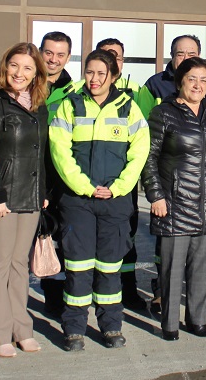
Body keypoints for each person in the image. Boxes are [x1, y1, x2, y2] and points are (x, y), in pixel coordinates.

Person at [49, 49, 150, 352]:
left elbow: (139, 153)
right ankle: (74, 329)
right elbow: (59, 151)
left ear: (113, 76)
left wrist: (118, 188)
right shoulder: (70, 105)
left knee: (109, 267)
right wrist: (84, 186)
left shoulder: (128, 108)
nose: (94, 79)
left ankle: (111, 326)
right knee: (78, 267)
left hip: (114, 201)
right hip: (77, 200)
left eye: (101, 73)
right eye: (89, 72)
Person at [143, 57, 206, 340]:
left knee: (201, 268)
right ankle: (170, 324)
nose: (198, 85)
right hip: (175, 202)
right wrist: (155, 196)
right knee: (172, 269)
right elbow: (149, 158)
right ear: (180, 81)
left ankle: (198, 320)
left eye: (203, 80)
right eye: (192, 79)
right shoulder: (163, 113)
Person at [135, 33, 206, 308]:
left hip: (203, 182)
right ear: (171, 57)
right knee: (168, 245)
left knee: (199, 250)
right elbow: (144, 132)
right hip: (171, 181)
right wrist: (155, 188)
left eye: (191, 53)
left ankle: (197, 303)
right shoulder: (154, 85)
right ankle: (163, 291)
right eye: (179, 53)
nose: (185, 58)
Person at [0, 43, 50, 358]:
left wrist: (42, 193)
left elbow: (41, 154)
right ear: (5, 66)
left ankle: (23, 329)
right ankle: (0, 333)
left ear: (36, 74)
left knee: (20, 264)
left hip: (30, 197)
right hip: (1, 197)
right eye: (15, 65)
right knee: (0, 263)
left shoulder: (39, 106)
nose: (20, 73)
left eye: (28, 68)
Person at [92, 38, 147, 308]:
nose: (112, 60)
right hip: (89, 182)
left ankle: (129, 288)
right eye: (106, 55)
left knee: (126, 236)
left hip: (123, 182)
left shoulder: (137, 91)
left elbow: (143, 137)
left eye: (117, 56)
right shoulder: (80, 91)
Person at [39, 30, 76, 312]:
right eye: (49, 53)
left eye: (60, 54)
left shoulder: (75, 93)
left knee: (60, 240)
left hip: (60, 178)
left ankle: (56, 298)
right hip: (29, 175)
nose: (53, 59)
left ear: (68, 57)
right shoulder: (25, 85)